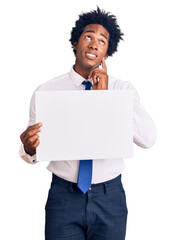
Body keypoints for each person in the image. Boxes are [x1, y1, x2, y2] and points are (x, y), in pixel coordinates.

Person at [19, 7, 157, 240]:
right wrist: (29, 147)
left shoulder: (122, 90)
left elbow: (148, 138)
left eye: (102, 41)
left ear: (106, 53)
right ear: (75, 43)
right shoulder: (47, 92)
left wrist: (106, 99)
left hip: (109, 197)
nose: (94, 44)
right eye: (88, 37)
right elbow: (32, 152)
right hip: (63, 197)